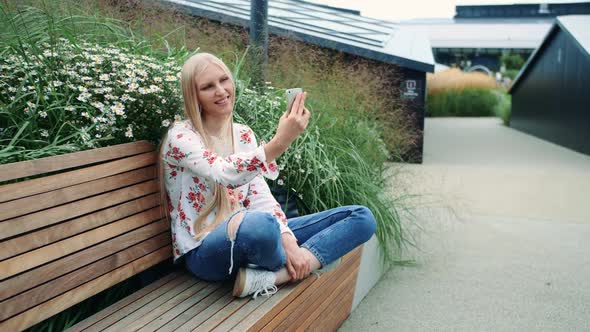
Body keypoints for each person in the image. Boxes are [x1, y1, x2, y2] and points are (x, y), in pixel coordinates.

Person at [158, 53, 376, 299]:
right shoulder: (181, 137)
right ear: (193, 95)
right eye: (208, 87)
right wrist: (280, 141)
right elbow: (223, 172)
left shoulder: (242, 135)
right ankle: (313, 260)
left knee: (361, 217)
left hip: (254, 235)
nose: (221, 91)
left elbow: (260, 197)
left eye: (224, 80)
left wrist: (290, 242)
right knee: (259, 225)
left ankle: (275, 276)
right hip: (205, 250)